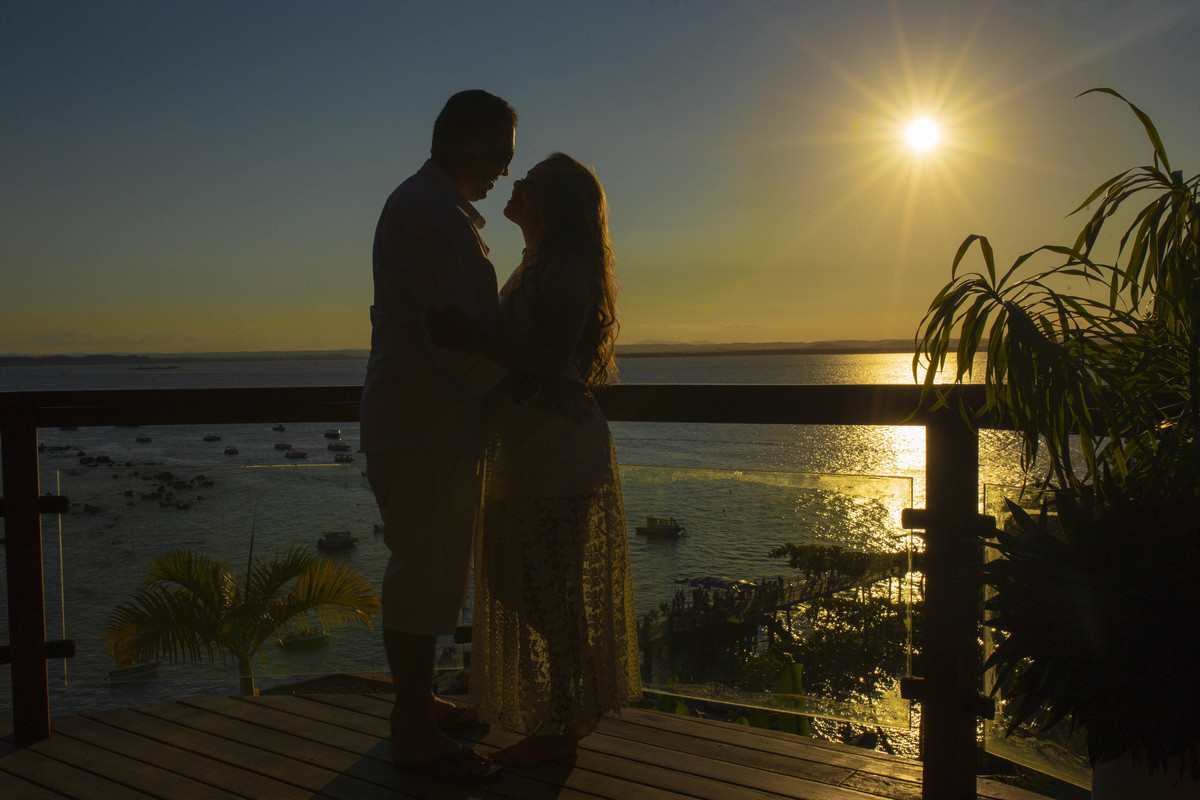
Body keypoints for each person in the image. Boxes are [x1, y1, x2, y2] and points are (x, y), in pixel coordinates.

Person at [428, 153, 641, 767]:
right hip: (528, 442)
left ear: (557, 204)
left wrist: (468, 339)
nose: (516, 185)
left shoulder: (567, 269)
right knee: (510, 574)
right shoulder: (537, 263)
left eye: (532, 182)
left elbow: (546, 361)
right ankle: (551, 703)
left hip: (558, 446)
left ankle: (564, 721)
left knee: (548, 588)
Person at [360, 89, 526, 781]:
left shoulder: (428, 207)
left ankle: (416, 708)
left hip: (420, 421)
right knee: (423, 575)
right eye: (500, 156)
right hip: (427, 423)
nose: (504, 173)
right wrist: (524, 388)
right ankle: (413, 729)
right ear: (468, 145)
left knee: (426, 571)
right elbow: (454, 335)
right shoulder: (432, 215)